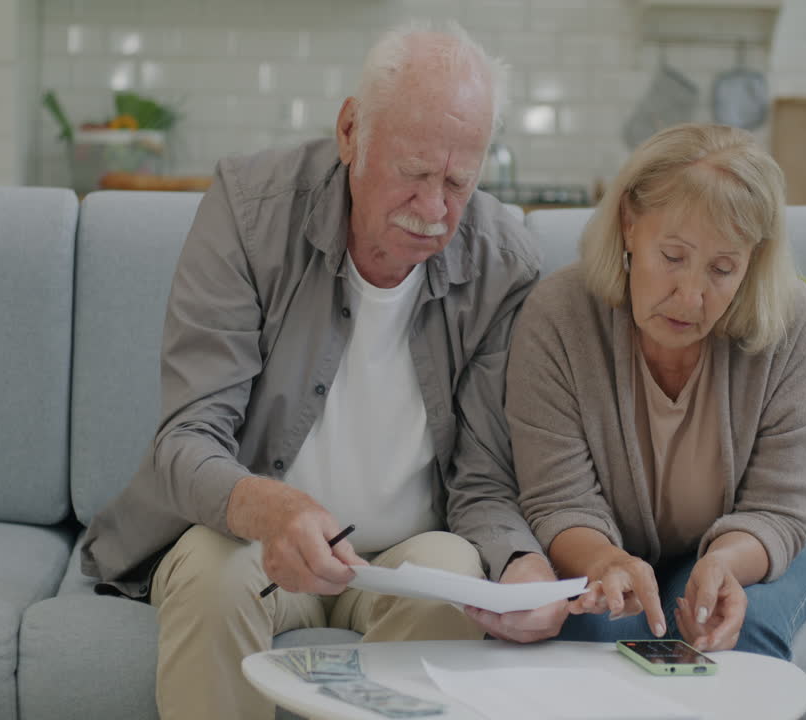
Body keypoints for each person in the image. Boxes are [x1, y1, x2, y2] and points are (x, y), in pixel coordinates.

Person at [80, 21, 567, 720]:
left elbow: (484, 478)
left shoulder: (504, 263)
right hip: (252, 541)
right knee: (214, 577)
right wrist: (276, 510)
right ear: (349, 132)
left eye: (458, 182)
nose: (434, 211)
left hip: (405, 555)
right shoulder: (251, 210)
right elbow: (187, 439)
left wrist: (521, 566)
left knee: (458, 571)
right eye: (413, 173)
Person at [505, 123, 806, 660]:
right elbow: (558, 500)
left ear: (753, 260)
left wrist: (723, 564)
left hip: (748, 548)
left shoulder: (792, 324)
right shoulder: (558, 316)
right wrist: (607, 563)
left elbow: (778, 507)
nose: (691, 296)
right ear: (629, 223)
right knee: (592, 637)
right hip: (603, 549)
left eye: (722, 269)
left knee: (737, 639)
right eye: (672, 257)